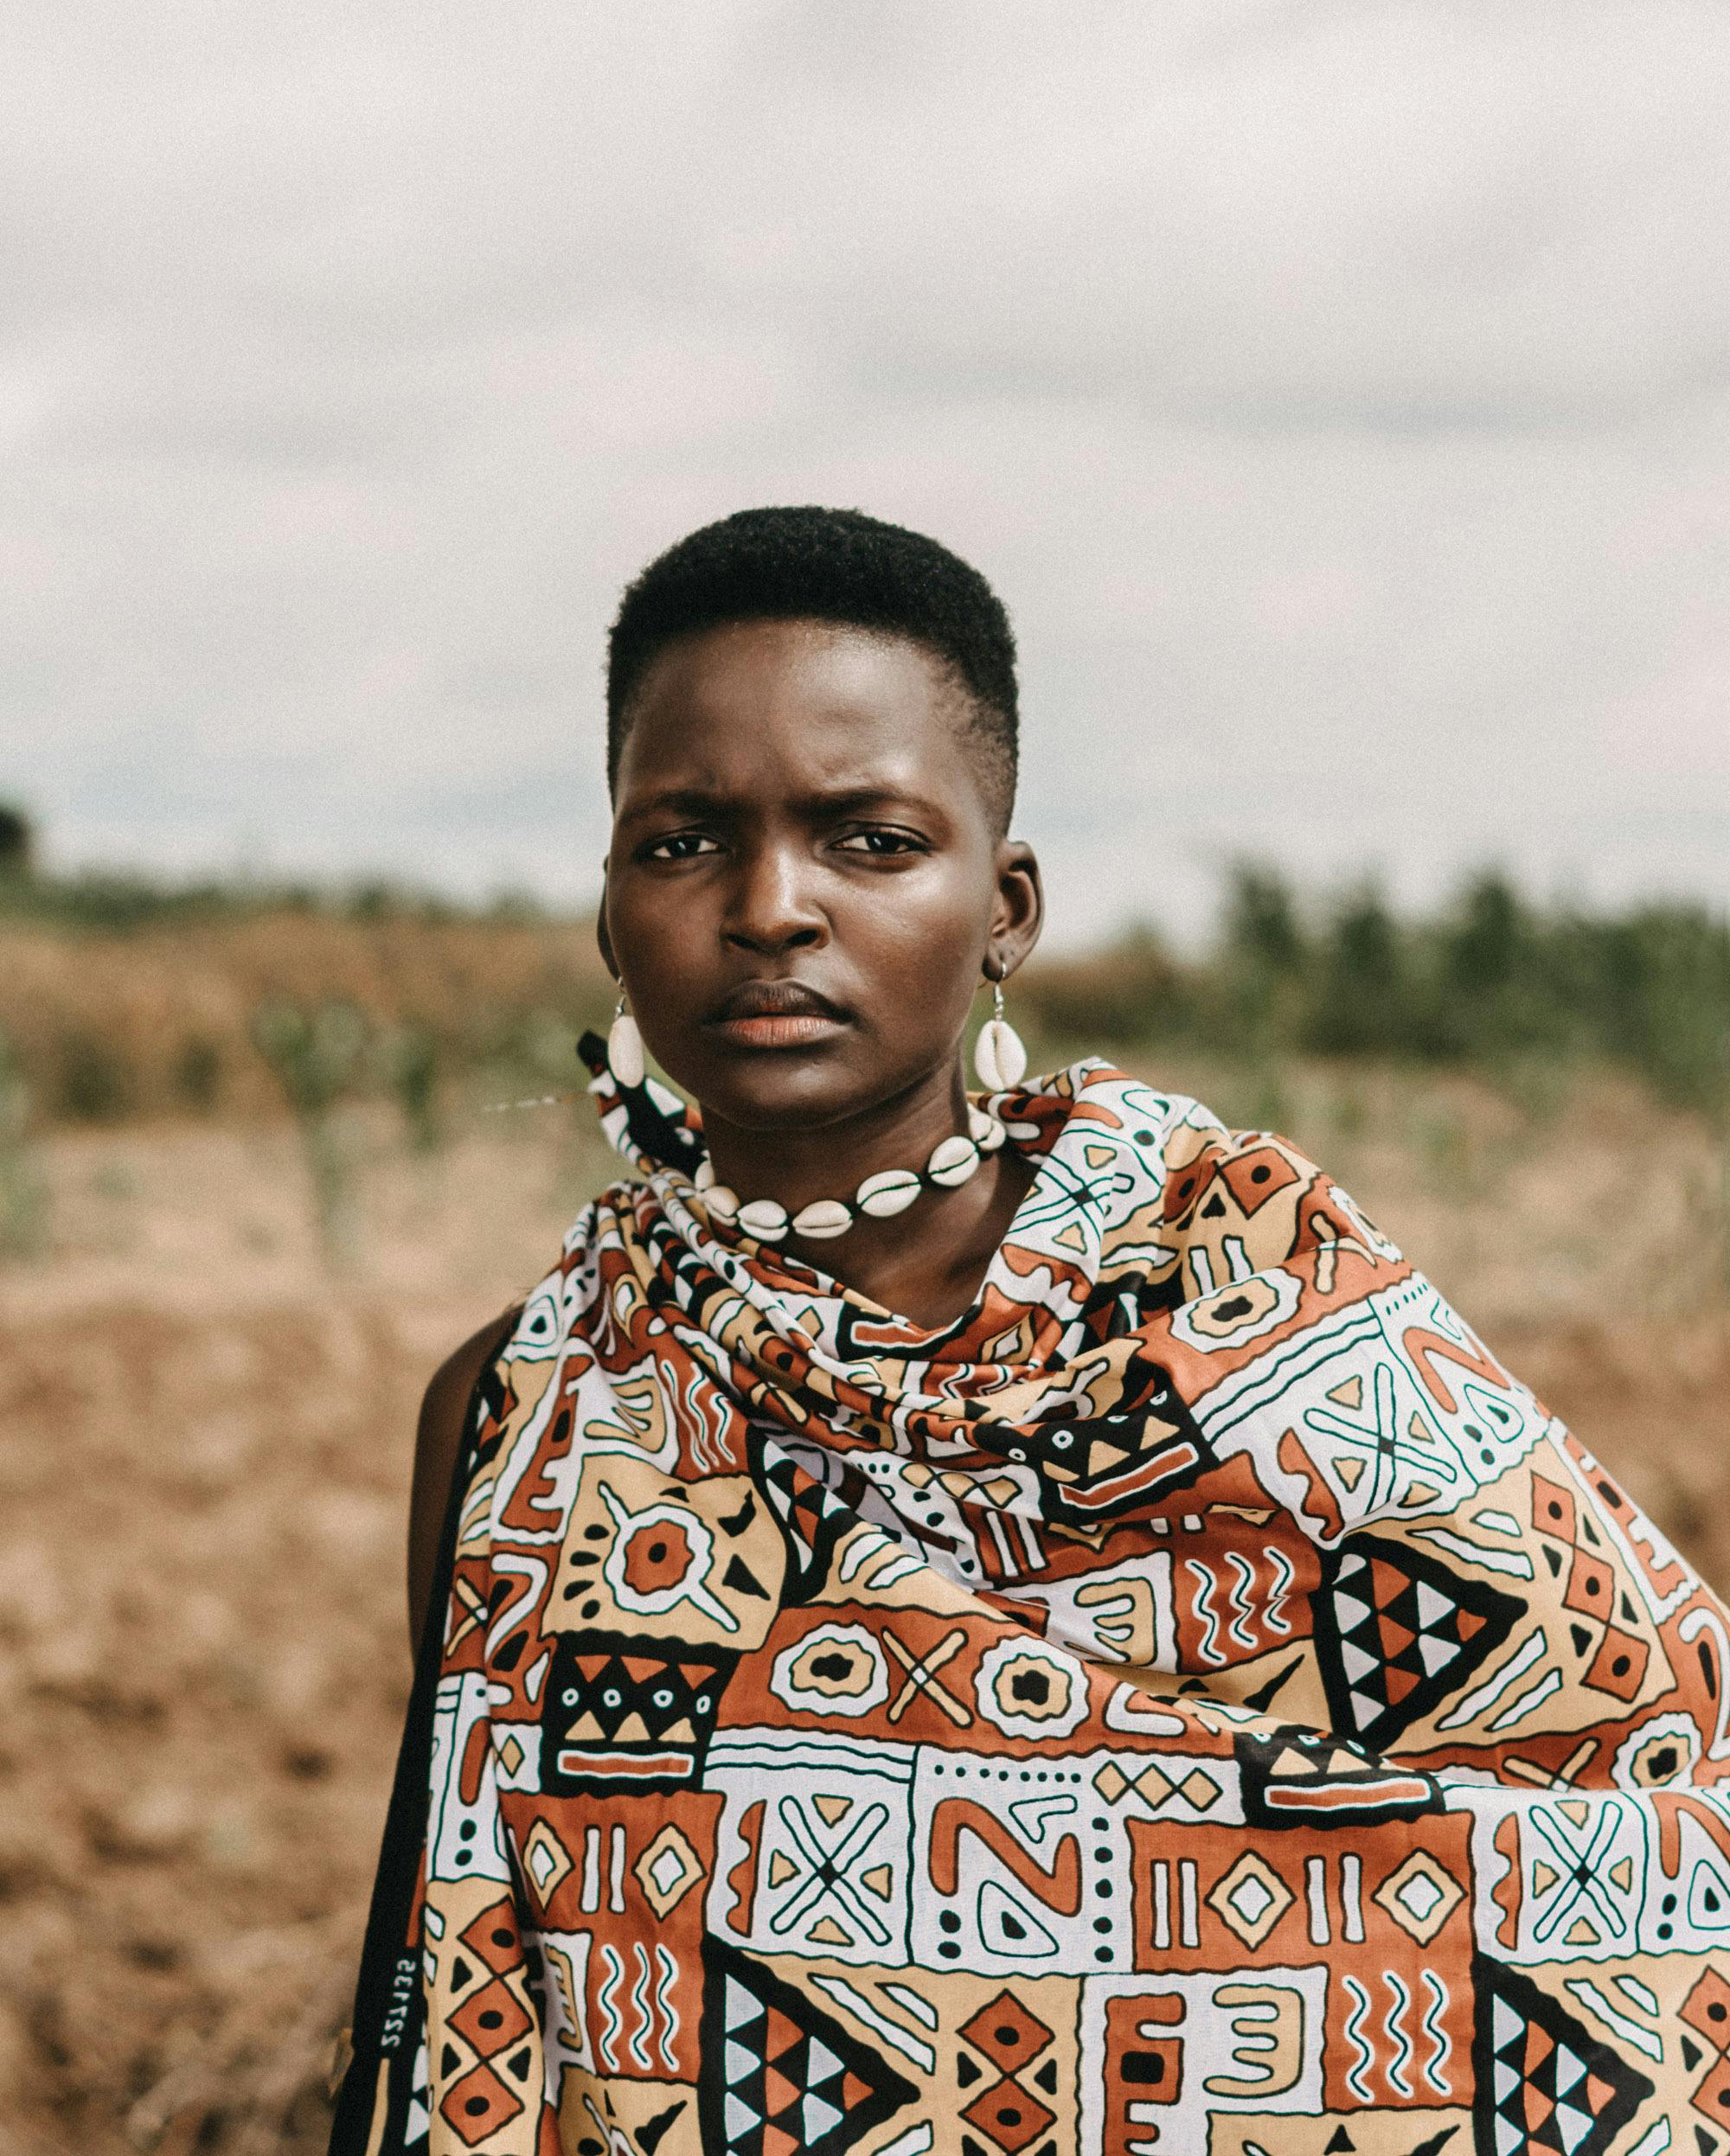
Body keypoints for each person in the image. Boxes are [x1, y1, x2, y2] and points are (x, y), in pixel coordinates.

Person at [335, 506, 1730, 2156]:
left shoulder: (1253, 1309)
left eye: (868, 840)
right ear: (609, 920)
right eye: (685, 842)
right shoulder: (528, 1410)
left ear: (1005, 908)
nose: (770, 907)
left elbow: (1649, 1786)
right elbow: (477, 1927)